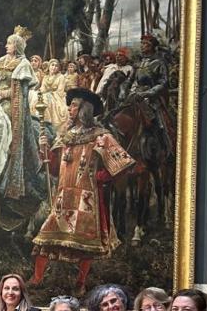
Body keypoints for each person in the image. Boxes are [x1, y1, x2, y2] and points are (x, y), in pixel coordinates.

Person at [31, 89, 135, 293]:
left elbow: (122, 165)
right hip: (63, 196)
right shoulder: (64, 136)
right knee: (46, 235)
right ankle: (36, 278)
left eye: (74, 106)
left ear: (84, 110)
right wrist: (43, 149)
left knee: (84, 244)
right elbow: (52, 168)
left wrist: (101, 177)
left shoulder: (100, 136)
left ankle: (80, 282)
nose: (69, 109)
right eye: (69, 105)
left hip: (87, 198)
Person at [0, 26, 45, 231]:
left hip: (10, 105)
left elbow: (17, 92)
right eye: (7, 43)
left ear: (17, 46)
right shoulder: (3, 61)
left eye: (9, 43)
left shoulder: (23, 64)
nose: (6, 46)